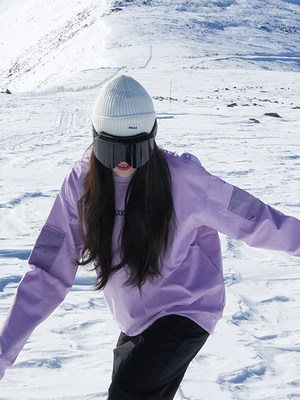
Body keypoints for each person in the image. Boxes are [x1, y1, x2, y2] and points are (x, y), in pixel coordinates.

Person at [0, 75, 299, 399]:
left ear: (152, 140)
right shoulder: (81, 183)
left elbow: (253, 218)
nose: (124, 162)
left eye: (136, 150)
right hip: (134, 319)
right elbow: (47, 270)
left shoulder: (183, 179)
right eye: (112, 150)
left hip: (187, 308)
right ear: (96, 139)